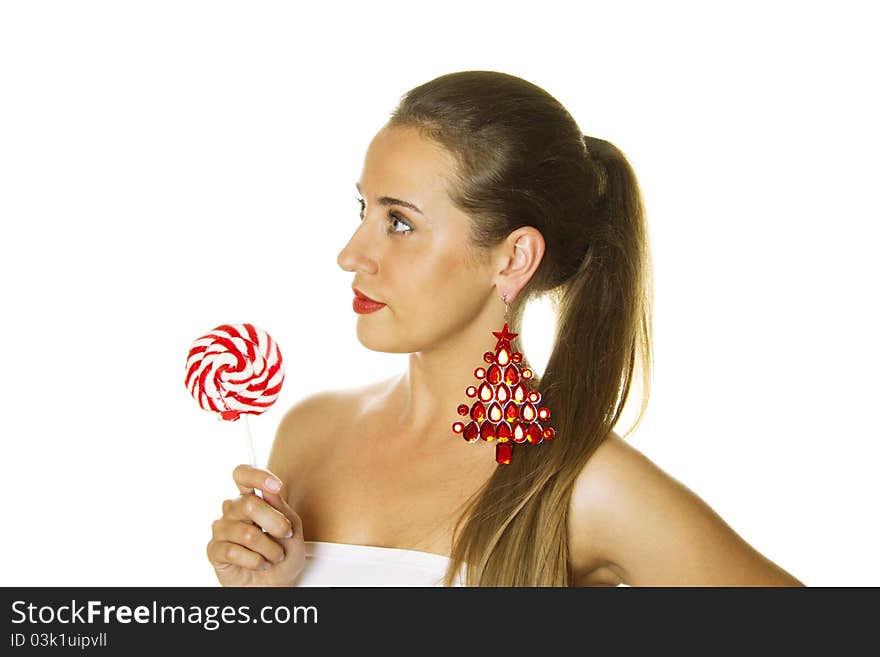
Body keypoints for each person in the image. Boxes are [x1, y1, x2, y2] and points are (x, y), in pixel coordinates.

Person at [206, 70, 806, 587]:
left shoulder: (583, 486)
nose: (350, 254)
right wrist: (262, 600)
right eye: (363, 209)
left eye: (400, 222)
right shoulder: (307, 435)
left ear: (513, 258)